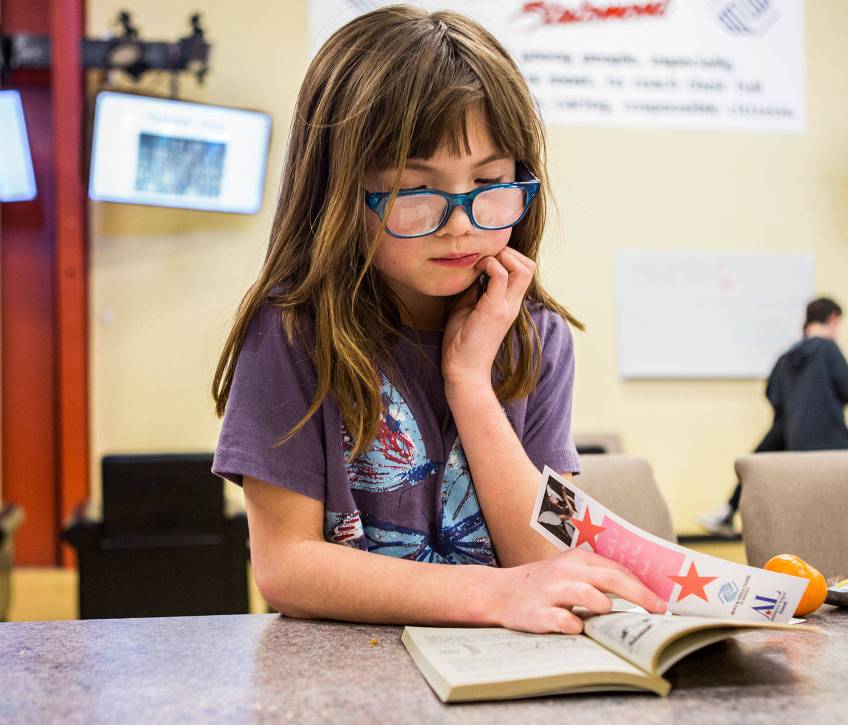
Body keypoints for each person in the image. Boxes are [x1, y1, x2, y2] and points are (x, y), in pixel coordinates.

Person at [211, 5, 665, 634]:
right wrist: (496, 597)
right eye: (415, 188)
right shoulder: (292, 330)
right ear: (337, 190)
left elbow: (543, 556)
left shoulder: (536, 336)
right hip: (342, 673)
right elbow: (286, 567)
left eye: (490, 181)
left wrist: (471, 383)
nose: (460, 223)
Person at [698, 297, 848, 536]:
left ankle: (729, 509)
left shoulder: (787, 357)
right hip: (830, 449)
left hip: (792, 445)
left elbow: (772, 394)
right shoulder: (829, 349)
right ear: (834, 318)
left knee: (764, 451)